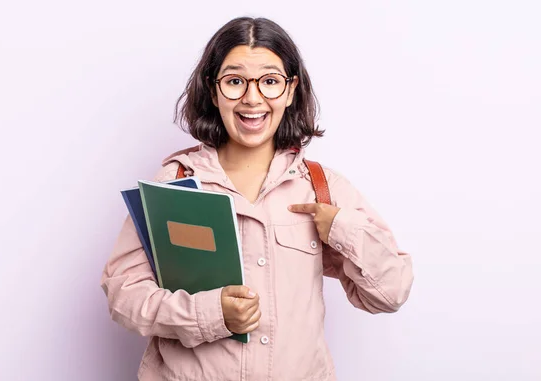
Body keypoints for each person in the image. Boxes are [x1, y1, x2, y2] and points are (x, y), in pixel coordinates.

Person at [101, 16, 414, 381]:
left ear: (291, 89)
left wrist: (342, 227)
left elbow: (391, 293)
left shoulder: (321, 187)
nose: (252, 98)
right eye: (235, 81)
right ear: (213, 89)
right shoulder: (175, 182)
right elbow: (123, 295)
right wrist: (210, 314)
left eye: (269, 82)